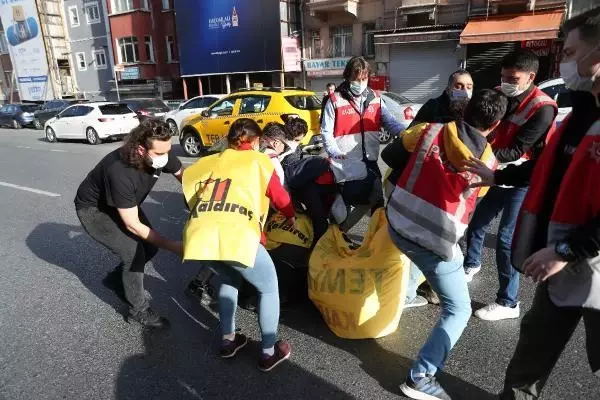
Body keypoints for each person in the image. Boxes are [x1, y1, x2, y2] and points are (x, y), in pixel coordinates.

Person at [464, 8, 600, 399]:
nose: (565, 63)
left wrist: (567, 249)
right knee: (533, 350)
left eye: (572, 53)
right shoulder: (581, 110)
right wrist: (498, 177)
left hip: (581, 257)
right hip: (561, 263)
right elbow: (548, 169)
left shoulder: (548, 107)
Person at [382, 89, 508, 400]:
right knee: (459, 309)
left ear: (465, 112)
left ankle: (411, 294)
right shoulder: (487, 161)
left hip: (397, 222)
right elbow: (472, 200)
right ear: (496, 124)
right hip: (434, 241)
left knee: (419, 261)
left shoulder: (429, 130)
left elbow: (389, 157)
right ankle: (421, 377)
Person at [181, 118, 295, 372]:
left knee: (230, 279)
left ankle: (228, 340)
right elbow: (281, 197)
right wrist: (291, 216)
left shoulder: (210, 161)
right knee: (268, 289)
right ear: (255, 141)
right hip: (237, 234)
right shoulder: (259, 161)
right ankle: (268, 352)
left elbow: (188, 188)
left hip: (201, 235)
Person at [464, 50, 558, 322]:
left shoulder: (543, 108)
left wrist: (480, 157)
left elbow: (517, 150)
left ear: (531, 77)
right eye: (503, 76)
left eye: (512, 78)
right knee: (478, 222)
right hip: (496, 173)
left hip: (522, 179)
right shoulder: (499, 93)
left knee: (506, 239)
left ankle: (508, 301)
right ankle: (471, 264)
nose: (505, 82)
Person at [74, 118, 184, 328]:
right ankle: (138, 311)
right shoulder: (120, 170)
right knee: (133, 253)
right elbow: (133, 225)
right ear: (141, 150)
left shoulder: (160, 152)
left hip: (124, 204)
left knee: (150, 248)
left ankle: (116, 280)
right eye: (160, 153)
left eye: (168, 150)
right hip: (95, 210)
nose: (165, 157)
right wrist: (173, 246)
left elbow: (183, 176)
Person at [320, 56, 404, 213]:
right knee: (343, 208)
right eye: (356, 79)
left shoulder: (376, 98)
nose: (360, 83)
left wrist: (407, 133)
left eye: (363, 79)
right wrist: (336, 153)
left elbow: (391, 123)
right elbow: (326, 132)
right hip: (345, 164)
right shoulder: (334, 100)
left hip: (370, 160)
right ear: (347, 76)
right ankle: (337, 235)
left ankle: (375, 233)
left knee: (377, 201)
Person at [409, 69, 474, 128]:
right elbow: (411, 131)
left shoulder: (475, 109)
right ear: (448, 89)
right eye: (458, 87)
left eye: (469, 87)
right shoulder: (432, 105)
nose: (465, 92)